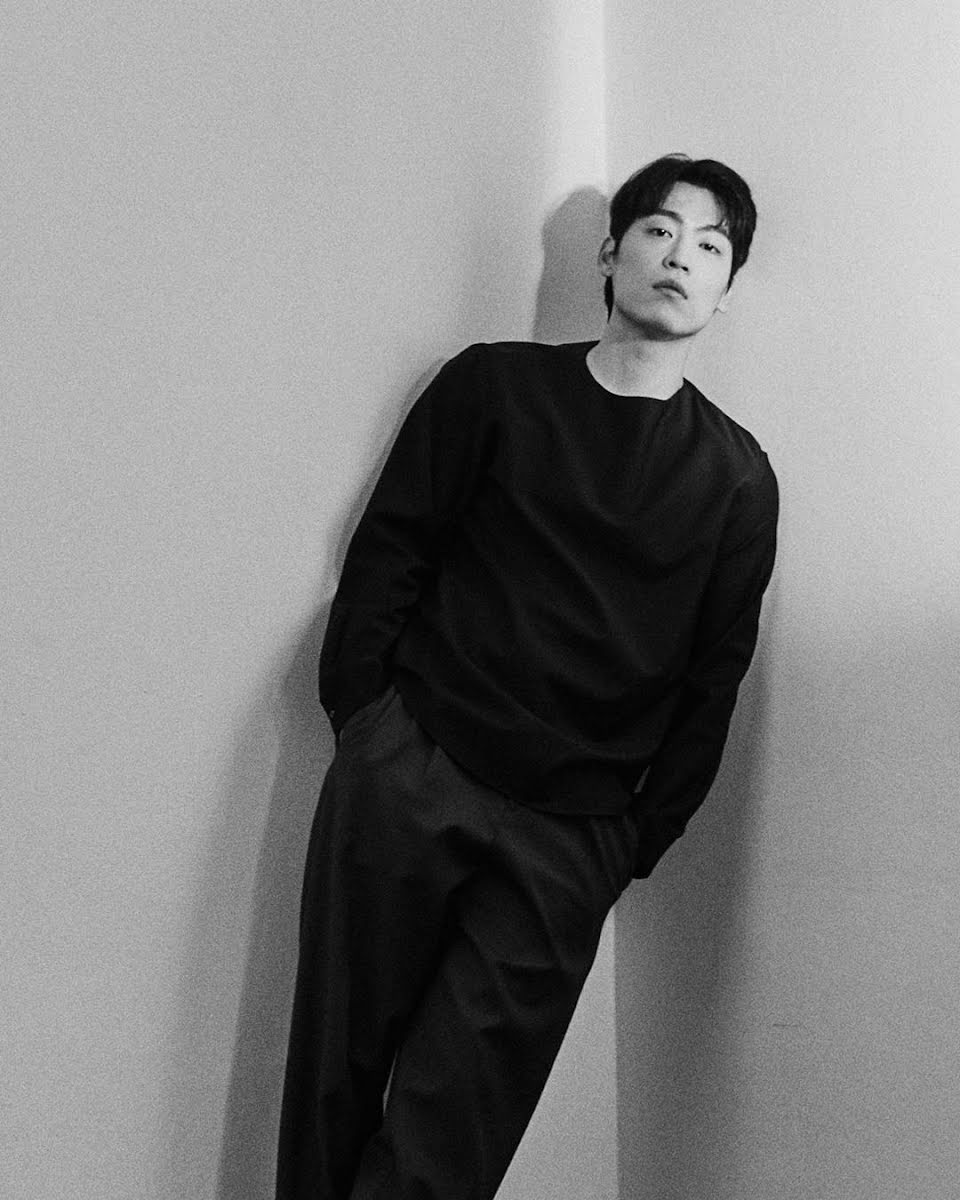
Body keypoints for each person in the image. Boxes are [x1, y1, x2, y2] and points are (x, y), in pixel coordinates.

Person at [276, 153, 779, 1200]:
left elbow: (714, 680)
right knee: (334, 1082)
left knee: (452, 1139)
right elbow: (391, 550)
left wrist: (633, 840)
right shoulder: (493, 385)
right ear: (610, 253)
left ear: (728, 289)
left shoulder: (737, 478)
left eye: (710, 246)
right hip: (413, 768)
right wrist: (369, 724)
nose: (680, 257)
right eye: (659, 230)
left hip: (570, 836)